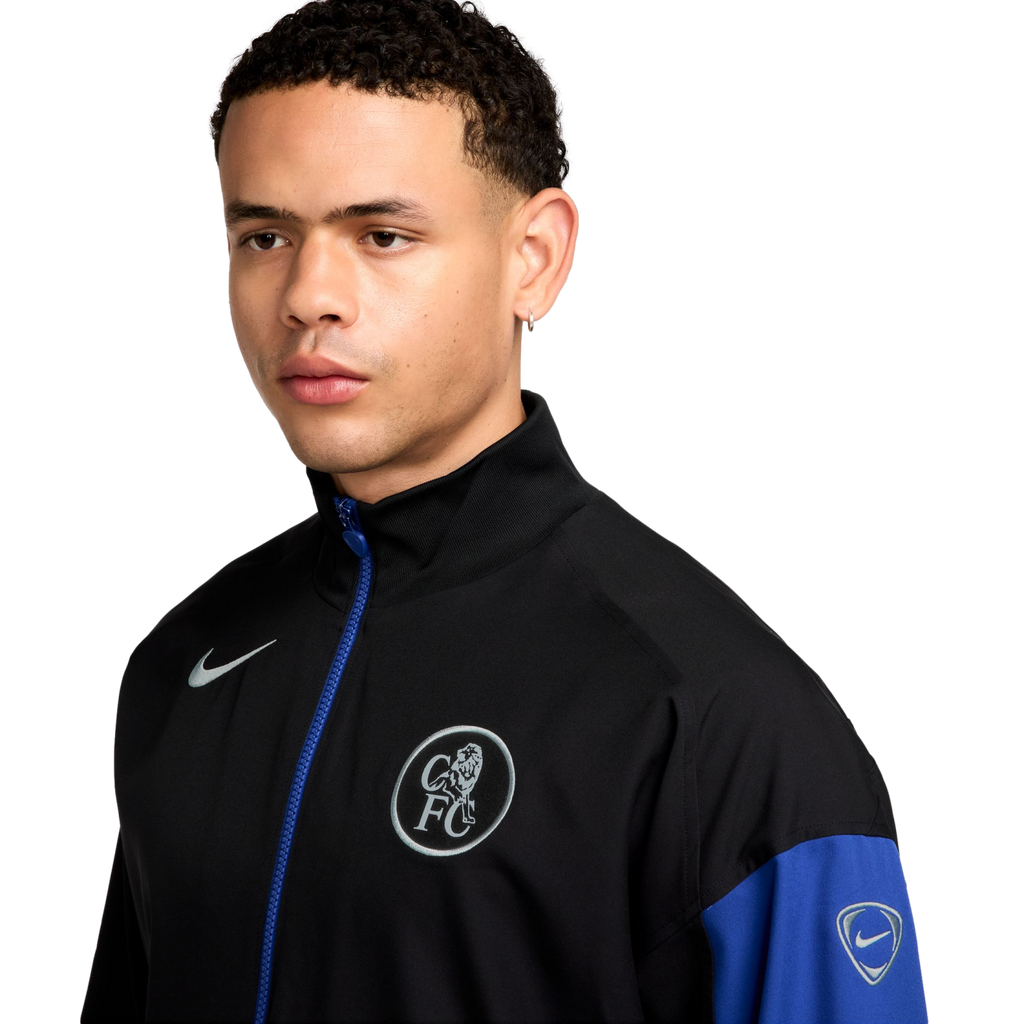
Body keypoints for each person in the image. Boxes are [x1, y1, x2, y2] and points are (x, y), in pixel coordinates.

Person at [79, 1, 929, 1021]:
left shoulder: (715, 710)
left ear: (536, 257)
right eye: (264, 235)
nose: (307, 295)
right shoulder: (182, 662)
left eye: (382, 235)